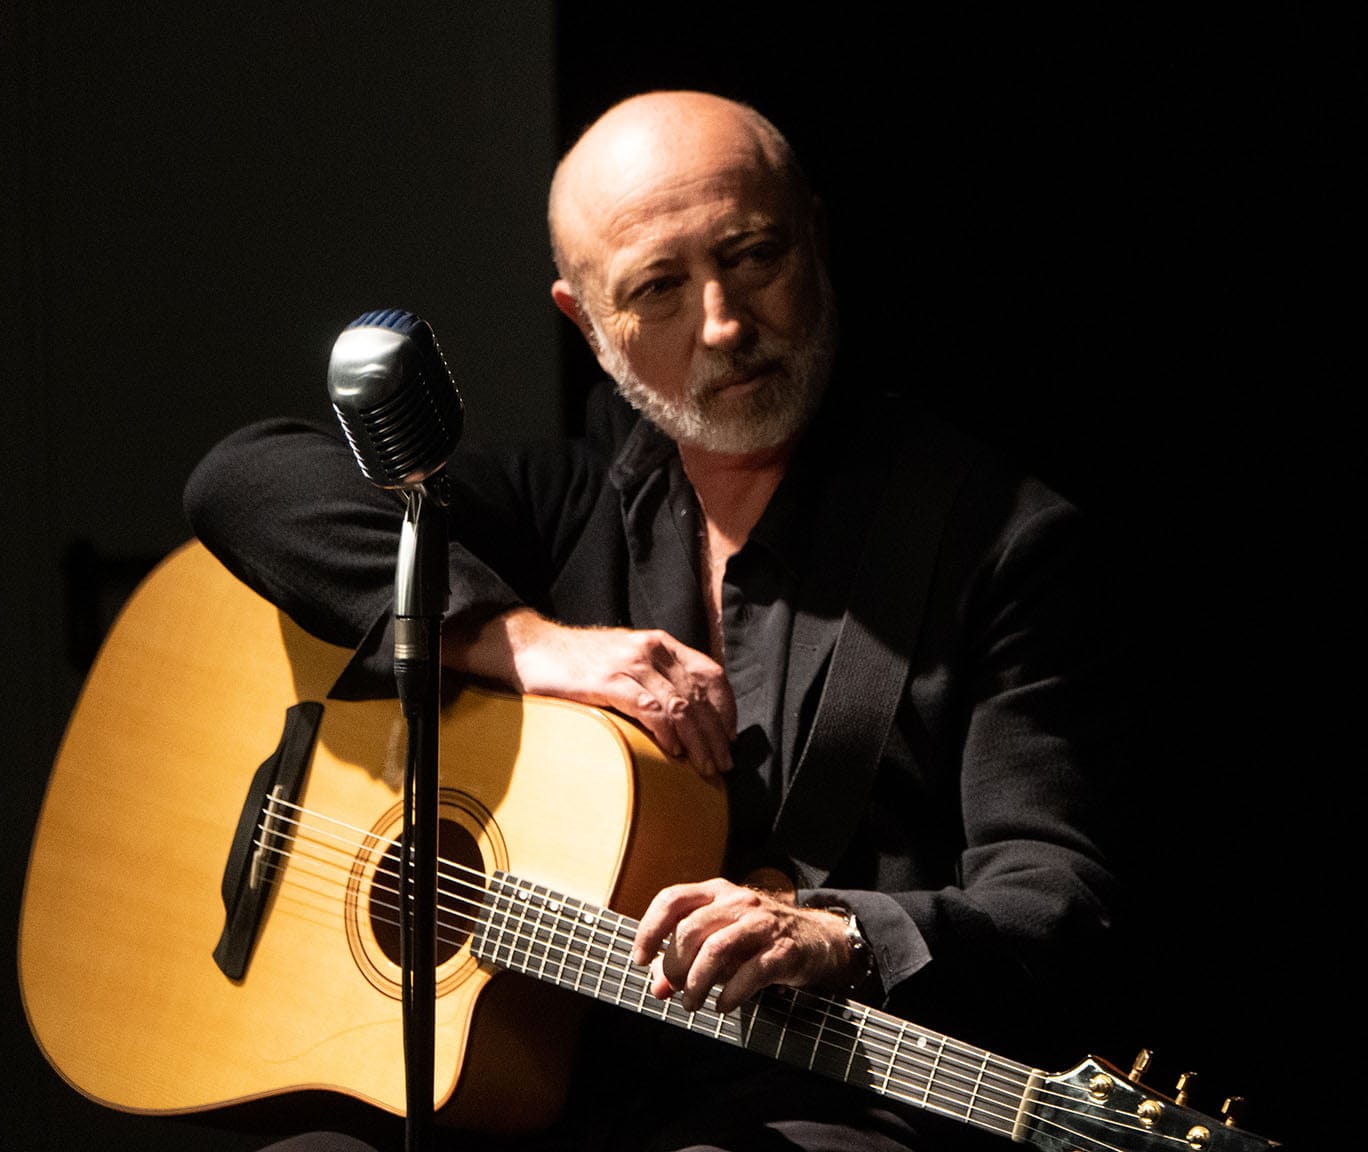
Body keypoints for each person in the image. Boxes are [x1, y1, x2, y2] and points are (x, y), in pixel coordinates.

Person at [185, 90, 1121, 1152]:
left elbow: (1060, 898)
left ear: (814, 238)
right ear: (586, 325)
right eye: (658, 288)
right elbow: (241, 480)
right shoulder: (565, 508)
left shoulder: (997, 541)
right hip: (533, 1076)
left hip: (818, 1100)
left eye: (753, 255)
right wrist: (525, 645)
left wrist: (842, 935)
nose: (723, 324)